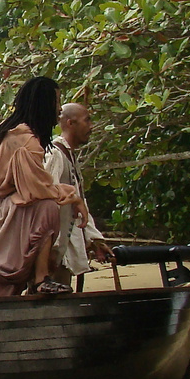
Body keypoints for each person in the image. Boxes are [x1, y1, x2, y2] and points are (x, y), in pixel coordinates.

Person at [0, 76, 88, 297]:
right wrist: (75, 198)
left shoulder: (8, 129)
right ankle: (41, 278)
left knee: (46, 203)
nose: (59, 110)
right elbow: (37, 190)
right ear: (44, 104)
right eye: (56, 102)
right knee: (47, 207)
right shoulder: (25, 140)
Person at [44, 103, 112, 286]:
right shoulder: (55, 154)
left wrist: (95, 239)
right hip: (54, 252)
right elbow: (46, 201)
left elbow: (80, 206)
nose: (91, 126)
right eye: (87, 120)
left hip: (63, 250)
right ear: (70, 123)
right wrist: (52, 250)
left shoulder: (69, 156)